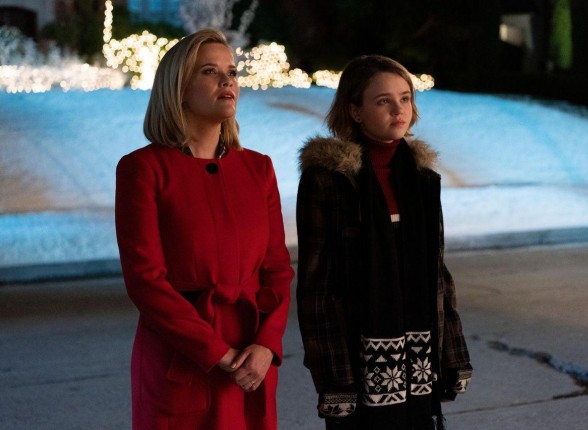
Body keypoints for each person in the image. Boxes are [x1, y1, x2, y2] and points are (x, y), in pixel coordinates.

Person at [115, 29, 294, 430]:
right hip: (181, 357)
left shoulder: (258, 168)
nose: (227, 81)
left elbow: (277, 269)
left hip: (252, 359)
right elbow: (145, 280)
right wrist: (217, 353)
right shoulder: (143, 169)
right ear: (178, 88)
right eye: (210, 72)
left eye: (232, 72)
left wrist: (266, 344)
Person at [296, 55, 472, 430]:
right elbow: (316, 287)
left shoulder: (422, 178)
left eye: (405, 98)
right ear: (355, 111)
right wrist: (334, 380)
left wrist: (453, 355)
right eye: (383, 101)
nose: (398, 109)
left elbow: (437, 273)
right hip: (357, 359)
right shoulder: (329, 180)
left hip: (420, 358)